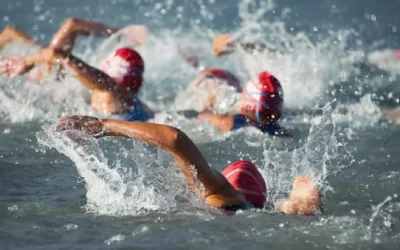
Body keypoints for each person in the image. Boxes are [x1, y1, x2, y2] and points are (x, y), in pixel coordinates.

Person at [55, 115, 322, 215]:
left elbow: (174, 138)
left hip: (229, 209)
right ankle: (293, 205)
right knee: (284, 211)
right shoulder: (248, 205)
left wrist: (105, 126)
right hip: (250, 209)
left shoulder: (217, 191)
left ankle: (295, 204)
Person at [0, 19, 152, 121]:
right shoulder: (142, 106)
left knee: (10, 33)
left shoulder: (107, 90)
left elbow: (55, 54)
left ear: (106, 69)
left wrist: (27, 61)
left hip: (47, 91)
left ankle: (122, 34)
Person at [0, 17, 148, 81]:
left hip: (51, 74)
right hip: (49, 69)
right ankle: (121, 34)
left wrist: (27, 61)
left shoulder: (50, 69)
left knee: (71, 25)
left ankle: (122, 34)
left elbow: (52, 54)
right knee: (71, 25)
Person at [195, 70, 291, 136]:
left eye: (274, 116)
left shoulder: (268, 124)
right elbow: (202, 116)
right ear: (249, 107)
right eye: (263, 114)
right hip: (211, 77)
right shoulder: (233, 121)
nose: (268, 120)